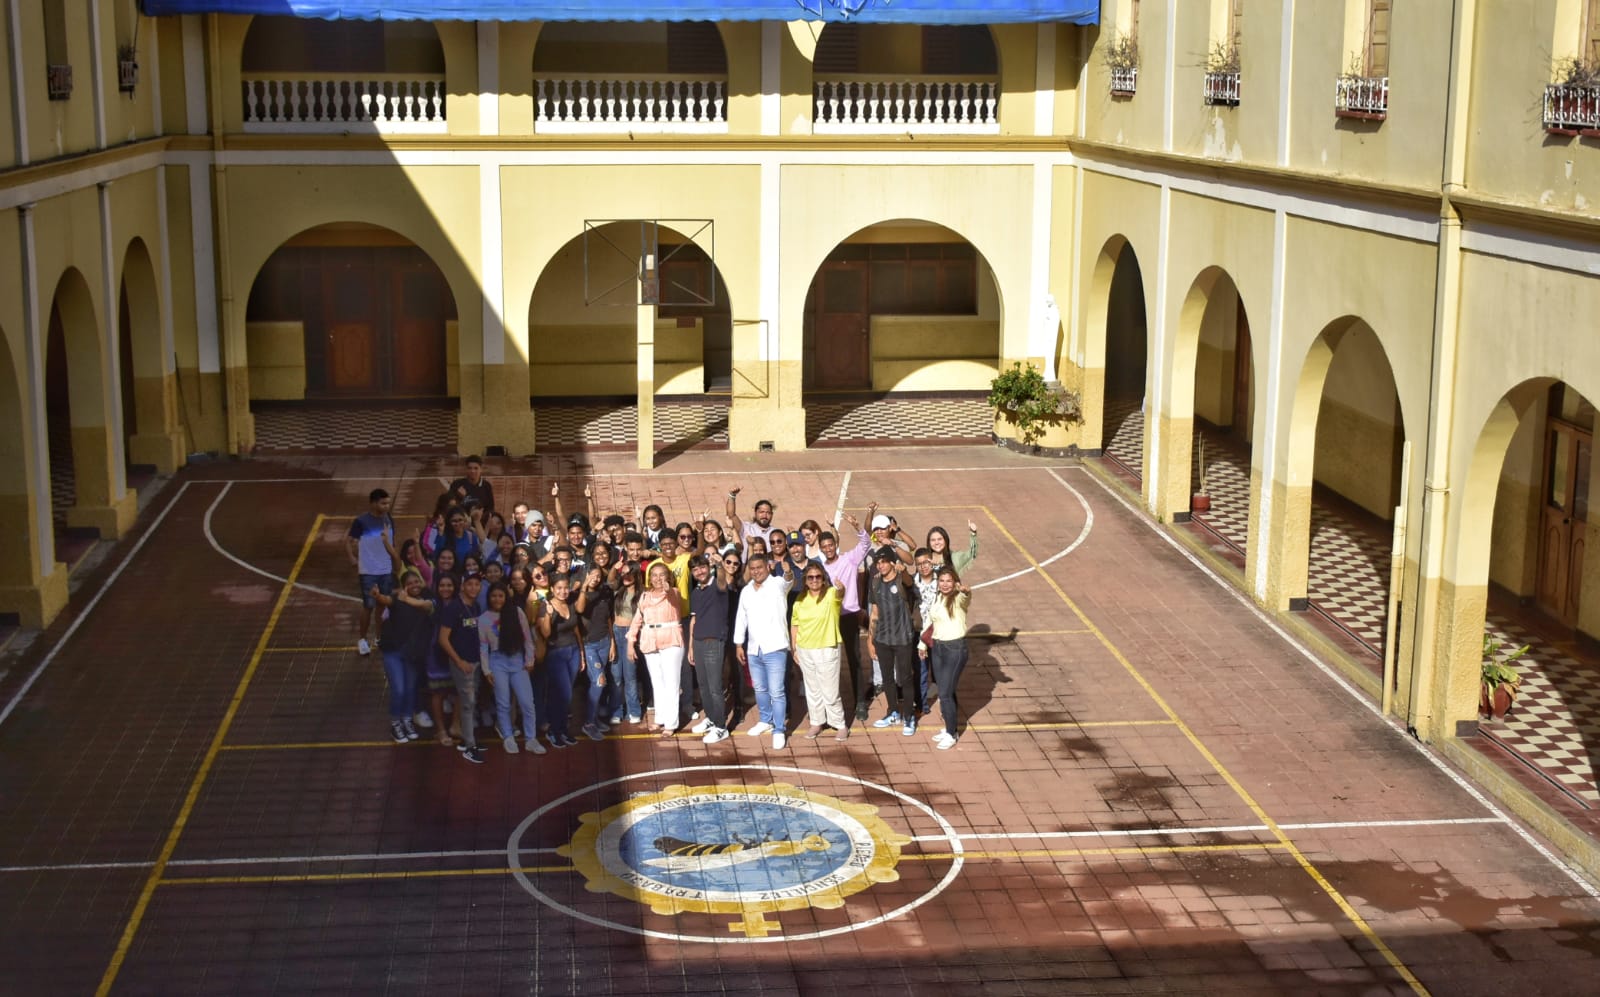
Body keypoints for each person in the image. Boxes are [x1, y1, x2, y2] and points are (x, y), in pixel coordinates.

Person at [732, 550, 793, 749]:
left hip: (775, 647)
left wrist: (788, 572)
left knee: (777, 691)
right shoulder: (747, 591)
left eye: (760, 567)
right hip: (753, 648)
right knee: (759, 688)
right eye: (753, 569)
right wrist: (739, 644)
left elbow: (788, 581)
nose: (756, 571)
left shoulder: (777, 584)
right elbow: (741, 618)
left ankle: (778, 729)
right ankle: (765, 720)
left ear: (768, 567)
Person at [820, 510, 873, 720]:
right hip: (829, 618)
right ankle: (829, 703)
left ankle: (860, 702)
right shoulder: (821, 568)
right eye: (824, 547)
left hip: (849, 616)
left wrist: (858, 527)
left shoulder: (849, 559)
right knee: (828, 661)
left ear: (835, 544)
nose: (828, 549)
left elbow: (866, 545)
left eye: (830, 545)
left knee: (854, 659)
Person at [370, 568, 433, 743]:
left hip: (412, 653)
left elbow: (429, 606)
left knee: (410, 688)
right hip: (394, 651)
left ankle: (407, 720)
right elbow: (386, 600)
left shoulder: (426, 598)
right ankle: (396, 723)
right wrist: (377, 595)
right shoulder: (398, 599)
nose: (414, 585)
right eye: (410, 583)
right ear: (403, 586)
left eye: (417, 581)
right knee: (399, 688)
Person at [480, 583, 542, 755]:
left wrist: (530, 660)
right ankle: (507, 736)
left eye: (501, 595)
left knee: (527, 702)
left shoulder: (517, 612)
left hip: (517, 661)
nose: (497, 599)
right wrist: (487, 670)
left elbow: (527, 639)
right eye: (494, 596)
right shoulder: (484, 618)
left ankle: (531, 739)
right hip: (497, 662)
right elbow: (483, 647)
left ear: (506, 597)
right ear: (489, 598)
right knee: (503, 702)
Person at [866, 545, 922, 736]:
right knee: (887, 678)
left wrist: (903, 569)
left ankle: (909, 716)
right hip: (883, 639)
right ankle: (892, 712)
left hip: (903, 638)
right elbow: (874, 613)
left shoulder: (901, 580)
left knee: (905, 678)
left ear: (891, 562)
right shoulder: (875, 584)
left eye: (883, 562)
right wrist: (870, 639)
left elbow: (908, 582)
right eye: (877, 563)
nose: (880, 566)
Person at [627, 562, 687, 737]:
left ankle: (671, 722)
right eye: (654, 575)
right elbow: (637, 619)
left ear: (668, 577)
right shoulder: (644, 596)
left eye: (662, 575)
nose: (658, 578)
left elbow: (672, 598)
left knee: (671, 682)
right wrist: (631, 641)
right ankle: (660, 718)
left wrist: (667, 589)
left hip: (670, 639)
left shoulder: (674, 593)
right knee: (657, 682)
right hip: (649, 639)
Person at [790, 563, 849, 741]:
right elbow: (795, 624)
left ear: (823, 579)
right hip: (805, 648)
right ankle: (816, 722)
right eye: (810, 577)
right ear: (805, 581)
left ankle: (839, 724)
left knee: (830, 690)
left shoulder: (831, 594)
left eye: (818, 577)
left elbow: (840, 594)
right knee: (812, 688)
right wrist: (794, 648)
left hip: (827, 647)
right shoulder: (800, 600)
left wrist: (841, 587)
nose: (814, 580)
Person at [437, 572, 491, 762]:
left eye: (477, 584)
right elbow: (443, 639)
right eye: (470, 584)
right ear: (462, 586)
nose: (474, 588)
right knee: (468, 704)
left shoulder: (475, 606)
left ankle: (469, 739)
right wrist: (459, 661)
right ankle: (469, 746)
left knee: (471, 701)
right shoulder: (454, 608)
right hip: (463, 663)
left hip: (474, 662)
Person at [687, 554, 733, 745]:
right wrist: (690, 645)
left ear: (709, 567)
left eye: (702, 567)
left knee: (715, 687)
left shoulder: (718, 586)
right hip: (698, 642)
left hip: (714, 642)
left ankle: (721, 727)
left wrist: (720, 565)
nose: (700, 572)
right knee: (704, 685)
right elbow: (694, 619)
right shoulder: (696, 592)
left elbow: (723, 581)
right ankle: (711, 718)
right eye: (695, 570)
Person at [926, 567, 973, 750]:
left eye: (949, 581)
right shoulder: (938, 598)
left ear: (955, 583)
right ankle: (948, 729)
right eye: (942, 581)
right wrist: (923, 645)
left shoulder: (958, 600)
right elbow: (932, 623)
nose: (945, 584)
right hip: (938, 648)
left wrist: (966, 591)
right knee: (946, 691)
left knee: (945, 693)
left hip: (955, 649)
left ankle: (952, 733)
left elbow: (966, 597)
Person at [347, 488, 397, 656]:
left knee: (382, 604)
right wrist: (352, 558)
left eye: (388, 503)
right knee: (368, 605)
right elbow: (348, 541)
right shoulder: (361, 521)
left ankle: (379, 637)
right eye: (383, 503)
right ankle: (362, 639)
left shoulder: (389, 519)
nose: (386, 506)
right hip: (368, 570)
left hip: (386, 569)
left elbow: (392, 542)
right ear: (373, 503)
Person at [537, 575, 584, 749]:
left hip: (573, 651)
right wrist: (549, 615)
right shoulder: (545, 606)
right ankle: (553, 731)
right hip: (556, 654)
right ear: (552, 589)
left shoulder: (570, 603)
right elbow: (546, 633)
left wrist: (582, 653)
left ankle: (563, 730)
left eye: (565, 588)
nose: (563, 591)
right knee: (563, 694)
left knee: (566, 693)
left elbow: (575, 629)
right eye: (559, 588)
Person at [574, 566, 615, 742]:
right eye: (592, 575)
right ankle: (588, 723)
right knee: (599, 681)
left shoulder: (605, 593)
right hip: (589, 645)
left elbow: (608, 619)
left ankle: (595, 718)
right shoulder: (579, 594)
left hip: (604, 641)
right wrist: (584, 586)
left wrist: (612, 642)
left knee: (598, 683)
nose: (596, 579)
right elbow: (580, 610)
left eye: (599, 576)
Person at [609, 563, 645, 724]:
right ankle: (616, 711)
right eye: (622, 574)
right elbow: (610, 580)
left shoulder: (642, 594)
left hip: (632, 635)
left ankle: (634, 710)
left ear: (636, 575)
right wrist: (614, 569)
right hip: (616, 632)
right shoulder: (618, 591)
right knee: (616, 675)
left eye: (628, 574)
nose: (625, 577)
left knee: (630, 675)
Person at [725, 487, 775, 558]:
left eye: (768, 513)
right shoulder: (746, 528)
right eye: (761, 512)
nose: (764, 515)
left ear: (772, 515)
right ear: (755, 513)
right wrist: (732, 496)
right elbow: (731, 515)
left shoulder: (775, 534)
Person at [447, 454, 496, 519]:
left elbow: (490, 509)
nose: (472, 471)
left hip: (480, 524)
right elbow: (449, 508)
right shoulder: (456, 484)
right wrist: (459, 497)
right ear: (466, 469)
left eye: (476, 468)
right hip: (461, 524)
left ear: (481, 469)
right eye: (470, 468)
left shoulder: (486, 486)